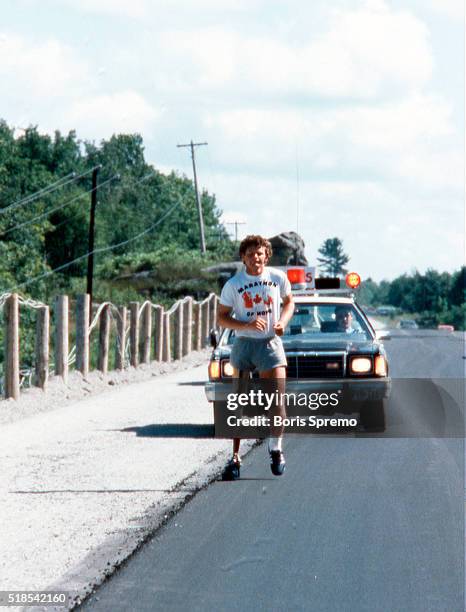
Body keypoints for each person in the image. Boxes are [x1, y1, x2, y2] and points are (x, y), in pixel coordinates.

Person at [217, 235, 294, 479]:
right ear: (243, 258)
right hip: (244, 344)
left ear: (266, 256)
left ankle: (276, 449)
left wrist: (282, 321)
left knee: (277, 400)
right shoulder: (234, 284)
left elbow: (290, 302)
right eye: (250, 254)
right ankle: (235, 457)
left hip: (270, 344)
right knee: (239, 404)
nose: (255, 258)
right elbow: (221, 317)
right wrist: (246, 324)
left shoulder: (277, 278)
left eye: (259, 253)